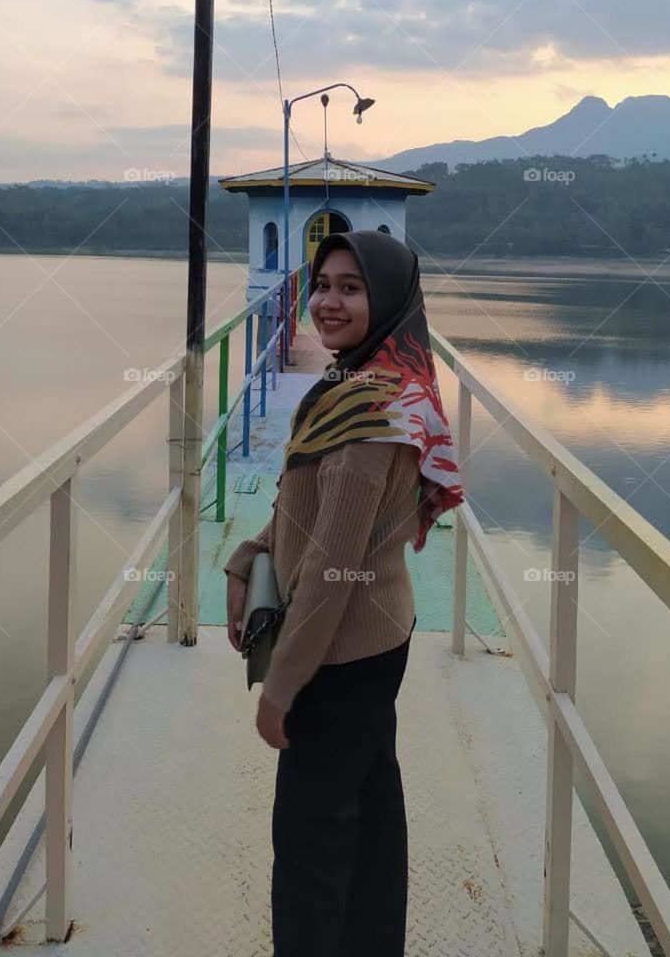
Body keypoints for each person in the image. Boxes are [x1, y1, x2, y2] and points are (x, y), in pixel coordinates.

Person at [223, 228, 464, 957]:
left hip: (341, 658)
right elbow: (304, 507)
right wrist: (249, 556)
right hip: (377, 636)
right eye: (322, 283)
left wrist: (280, 690)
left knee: (307, 848)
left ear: (386, 298)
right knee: (370, 816)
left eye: (351, 288)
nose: (328, 301)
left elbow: (331, 568)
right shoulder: (358, 380)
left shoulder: (371, 416)